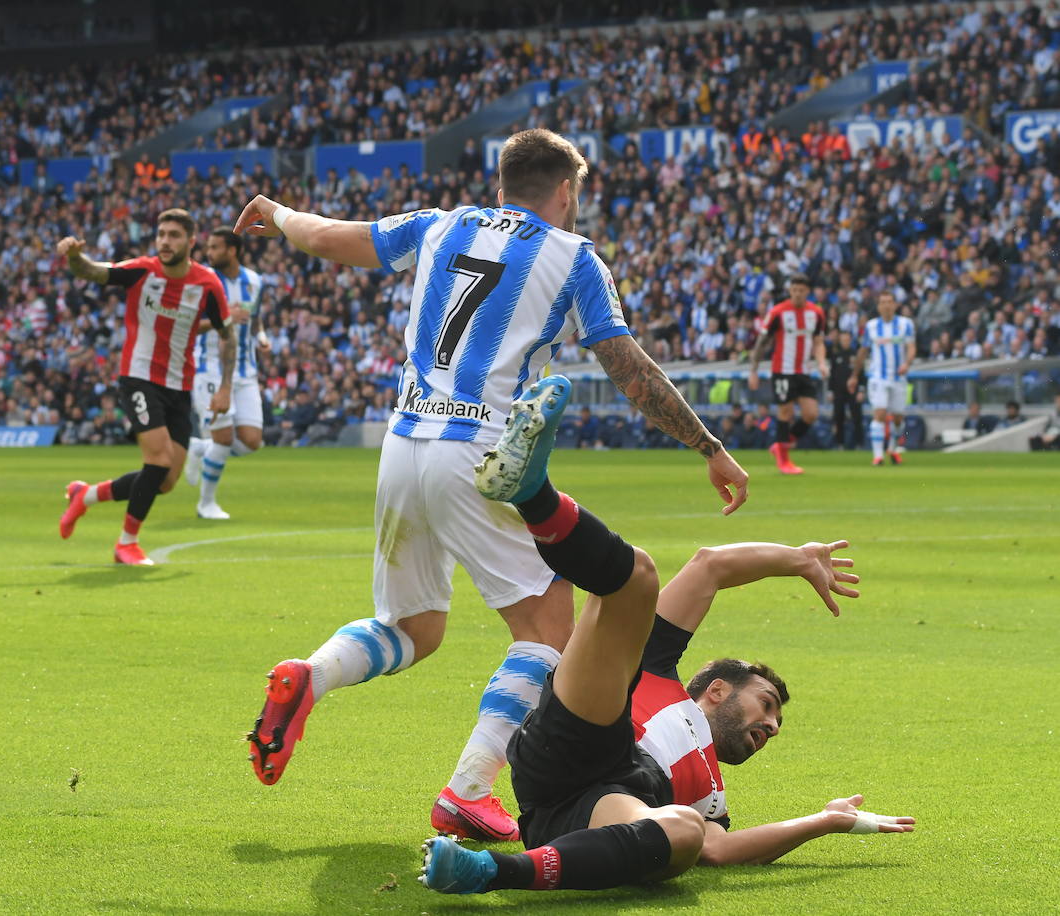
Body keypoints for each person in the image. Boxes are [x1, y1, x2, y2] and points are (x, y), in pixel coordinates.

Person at [232, 128, 749, 843]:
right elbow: (630, 370)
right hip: (480, 452)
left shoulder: (440, 225)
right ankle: (469, 789)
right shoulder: (573, 258)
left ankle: (309, 675)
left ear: (501, 183)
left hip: (404, 446)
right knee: (549, 630)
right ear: (565, 191)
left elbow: (323, 237)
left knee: (413, 628)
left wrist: (275, 211)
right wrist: (708, 444)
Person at [419, 388, 913, 895]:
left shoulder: (713, 799)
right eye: (766, 705)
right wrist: (797, 558)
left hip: (594, 808)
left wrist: (825, 820)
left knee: (684, 832)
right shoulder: (660, 670)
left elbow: (719, 850)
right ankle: (531, 493)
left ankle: (489, 873)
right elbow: (710, 566)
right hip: (581, 733)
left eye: (776, 722)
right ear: (717, 689)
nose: (772, 725)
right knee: (637, 576)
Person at [54, 208, 236, 566]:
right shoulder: (142, 270)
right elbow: (93, 271)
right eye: (161, 234)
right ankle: (127, 543)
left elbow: (226, 335)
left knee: (166, 480)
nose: (165, 241)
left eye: (174, 235)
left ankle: (85, 495)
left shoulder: (208, 284)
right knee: (158, 459)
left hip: (179, 386)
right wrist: (76, 256)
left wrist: (225, 387)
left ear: (191, 241)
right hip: (138, 377)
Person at [184, 228, 269, 519]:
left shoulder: (255, 281)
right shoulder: (201, 280)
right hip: (209, 368)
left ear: (232, 250)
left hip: (245, 370)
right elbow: (189, 325)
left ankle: (198, 449)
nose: (209, 252)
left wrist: (261, 336)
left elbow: (254, 317)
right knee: (222, 440)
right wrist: (224, 319)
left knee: (251, 441)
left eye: (215, 247)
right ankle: (206, 504)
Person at [747, 274, 828, 475]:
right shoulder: (778, 312)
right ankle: (784, 461)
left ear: (807, 292)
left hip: (804, 370)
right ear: (790, 291)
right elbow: (761, 343)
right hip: (782, 370)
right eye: (794, 290)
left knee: (811, 414)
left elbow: (818, 341)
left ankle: (781, 445)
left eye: (802, 290)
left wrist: (821, 362)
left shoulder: (816, 313)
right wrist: (753, 371)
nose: (798, 294)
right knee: (786, 412)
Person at [853, 291, 916, 465]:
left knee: (897, 419)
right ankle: (878, 455)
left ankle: (893, 448)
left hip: (898, 377)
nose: (887, 305)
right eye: (883, 302)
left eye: (889, 302)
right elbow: (863, 350)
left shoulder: (906, 324)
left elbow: (911, 347)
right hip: (878, 377)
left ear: (895, 304)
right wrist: (854, 375)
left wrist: (907, 363)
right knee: (879, 413)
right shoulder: (871, 326)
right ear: (879, 306)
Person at [827, 328, 863, 450]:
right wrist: (830, 390)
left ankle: (859, 443)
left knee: (857, 417)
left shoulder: (856, 354)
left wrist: (861, 390)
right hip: (839, 391)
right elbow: (832, 374)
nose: (845, 342)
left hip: (853, 391)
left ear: (850, 340)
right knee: (838, 417)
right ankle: (840, 444)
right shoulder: (836, 355)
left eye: (847, 339)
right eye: (843, 340)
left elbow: (861, 373)